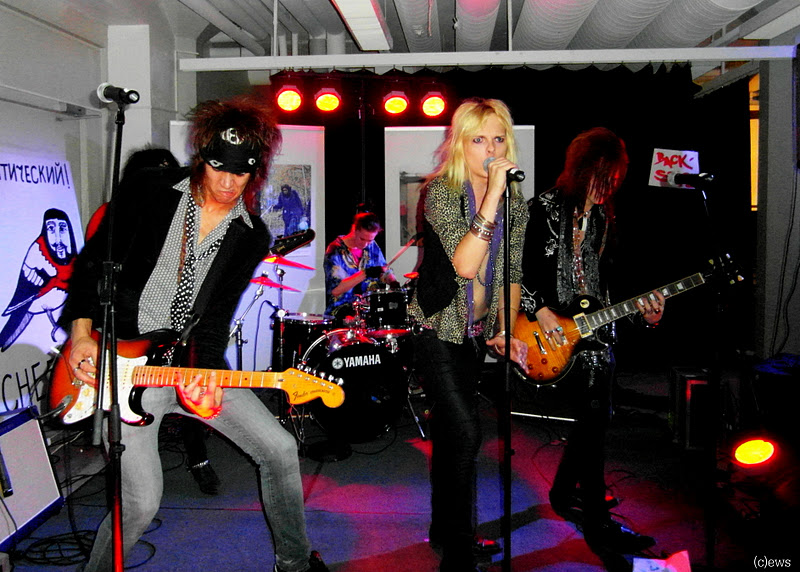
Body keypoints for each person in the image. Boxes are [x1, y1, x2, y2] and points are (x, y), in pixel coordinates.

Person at [59, 97, 328, 572]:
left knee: (280, 449)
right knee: (140, 504)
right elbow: (91, 265)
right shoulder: (150, 190)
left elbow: (216, 317)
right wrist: (81, 333)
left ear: (256, 172)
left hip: (184, 360)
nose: (227, 182)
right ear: (201, 156)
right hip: (125, 364)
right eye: (218, 167)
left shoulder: (251, 235)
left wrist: (203, 374)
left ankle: (295, 563)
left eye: (241, 172)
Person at [520, 127, 664, 554]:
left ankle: (566, 493)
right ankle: (598, 522)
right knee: (594, 424)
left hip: (594, 335)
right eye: (602, 177)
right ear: (581, 170)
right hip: (548, 336)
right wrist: (539, 308)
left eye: (614, 178)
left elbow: (605, 290)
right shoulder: (541, 209)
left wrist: (646, 316)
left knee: (594, 421)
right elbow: (509, 270)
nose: (608, 186)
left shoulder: (603, 219)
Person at [407, 98, 530, 572]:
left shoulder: (515, 205)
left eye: (498, 139)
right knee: (465, 430)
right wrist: (492, 195)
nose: (490, 149)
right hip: (435, 328)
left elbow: (512, 272)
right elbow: (464, 264)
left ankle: (446, 530)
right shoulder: (441, 192)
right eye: (479, 139)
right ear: (460, 143)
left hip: (473, 334)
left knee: (452, 437)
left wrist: (504, 328)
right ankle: (458, 552)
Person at [87, 146, 225, 496]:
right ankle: (126, 469)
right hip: (127, 330)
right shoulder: (112, 214)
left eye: (169, 170)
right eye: (156, 172)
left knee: (192, 378)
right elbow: (93, 271)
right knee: (125, 402)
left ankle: (199, 458)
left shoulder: (184, 215)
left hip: (173, 325)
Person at [323, 210, 397, 317]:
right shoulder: (336, 249)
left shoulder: (372, 246)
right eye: (362, 239)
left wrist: (392, 281)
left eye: (370, 240)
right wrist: (365, 273)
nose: (365, 244)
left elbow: (384, 271)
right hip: (342, 313)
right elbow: (335, 290)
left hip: (369, 312)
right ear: (354, 229)